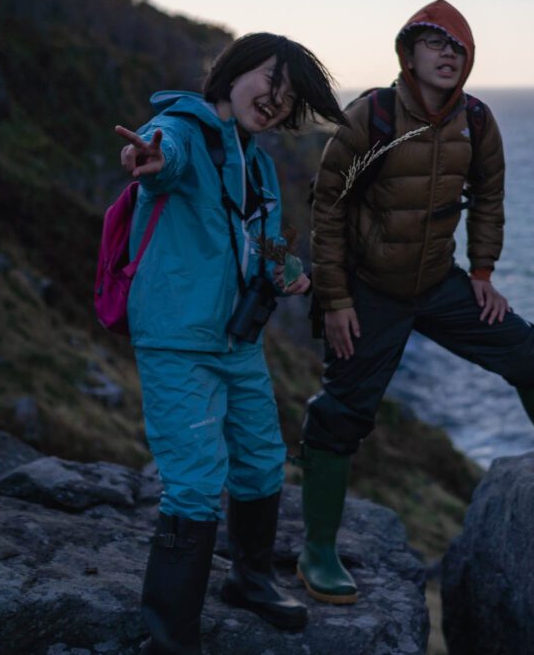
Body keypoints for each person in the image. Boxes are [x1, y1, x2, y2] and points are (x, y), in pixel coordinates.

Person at [300, 0, 534, 605]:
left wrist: (482, 271)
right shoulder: (371, 117)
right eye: (435, 43)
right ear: (408, 53)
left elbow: (489, 198)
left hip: (439, 283)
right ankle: (317, 549)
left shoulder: (476, 119)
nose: (448, 54)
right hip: (370, 290)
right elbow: (328, 211)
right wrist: (336, 299)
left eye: (459, 47)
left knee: (523, 348)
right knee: (340, 414)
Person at [114, 33, 346, 652]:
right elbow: (168, 161)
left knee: (261, 457)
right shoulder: (181, 128)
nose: (275, 102)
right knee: (193, 479)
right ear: (236, 71)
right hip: (177, 335)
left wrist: (286, 267)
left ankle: (249, 580)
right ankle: (171, 635)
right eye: (270, 83)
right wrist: (153, 162)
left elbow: (260, 237)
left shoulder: (258, 159)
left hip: (236, 340)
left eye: (289, 98)